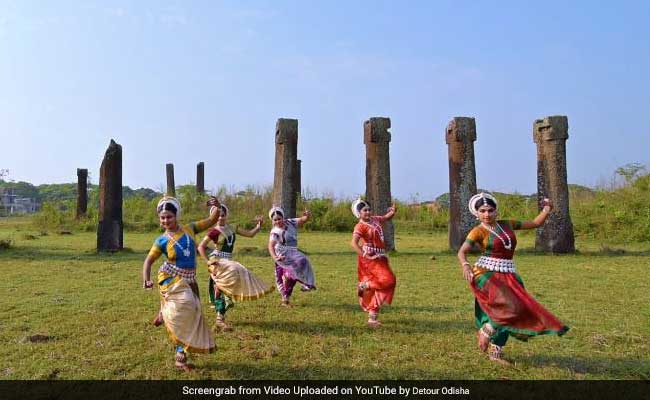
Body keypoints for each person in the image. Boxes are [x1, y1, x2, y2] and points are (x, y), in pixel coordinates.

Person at [457, 192, 569, 365]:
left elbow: (535, 223)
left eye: (490, 210)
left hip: (508, 272)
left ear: (496, 211)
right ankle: (487, 329)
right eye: (482, 211)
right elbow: (462, 251)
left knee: (518, 309)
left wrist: (547, 209)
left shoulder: (507, 224)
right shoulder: (477, 231)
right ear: (476, 213)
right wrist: (465, 265)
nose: (487, 214)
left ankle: (496, 352)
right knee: (509, 307)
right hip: (486, 273)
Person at [142, 196, 220, 372]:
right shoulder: (161, 240)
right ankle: (166, 310)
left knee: (193, 315)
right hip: (170, 277)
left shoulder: (190, 229)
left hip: (190, 279)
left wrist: (217, 205)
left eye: (169, 216)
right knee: (187, 304)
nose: (165, 220)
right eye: (162, 217)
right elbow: (148, 261)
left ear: (177, 215)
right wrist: (146, 279)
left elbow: (212, 219)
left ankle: (180, 357)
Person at [197, 203, 274, 331]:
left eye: (223, 215)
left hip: (228, 260)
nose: (220, 218)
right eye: (218, 216)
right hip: (217, 261)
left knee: (231, 281)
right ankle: (219, 319)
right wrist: (208, 262)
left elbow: (250, 234)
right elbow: (200, 247)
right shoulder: (214, 231)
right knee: (225, 283)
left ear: (226, 215)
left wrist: (258, 226)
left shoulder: (233, 227)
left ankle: (219, 316)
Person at [350, 198, 397, 327]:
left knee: (385, 286)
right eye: (365, 210)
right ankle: (365, 286)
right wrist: (365, 255)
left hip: (381, 258)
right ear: (359, 213)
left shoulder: (375, 219)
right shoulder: (360, 226)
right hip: (369, 260)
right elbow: (353, 243)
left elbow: (385, 218)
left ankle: (372, 318)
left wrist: (392, 212)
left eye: (369, 209)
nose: (368, 212)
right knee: (389, 280)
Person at [267, 205, 316, 307]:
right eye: (274, 220)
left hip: (293, 253)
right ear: (272, 220)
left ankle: (306, 284)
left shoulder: (290, 222)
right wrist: (275, 257)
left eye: (279, 219)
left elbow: (302, 220)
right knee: (287, 278)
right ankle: (285, 299)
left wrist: (307, 216)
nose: (277, 222)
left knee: (303, 261)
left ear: (283, 217)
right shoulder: (275, 232)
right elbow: (270, 246)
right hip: (282, 256)